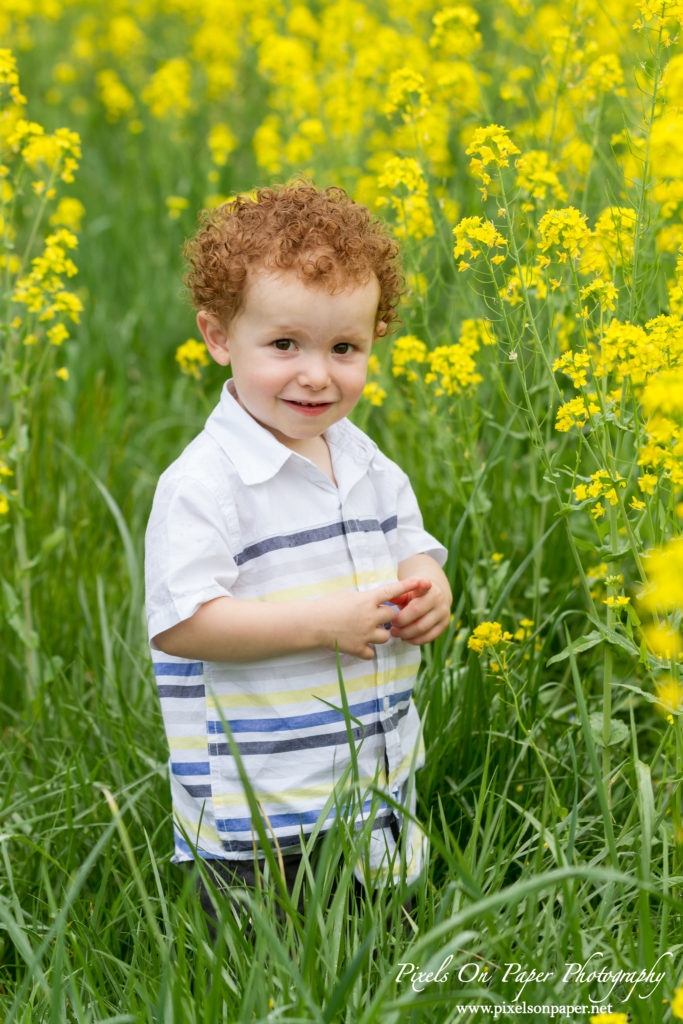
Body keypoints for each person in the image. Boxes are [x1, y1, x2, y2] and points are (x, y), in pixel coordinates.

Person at [144, 181, 452, 941]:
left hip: (374, 783)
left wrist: (429, 585)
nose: (317, 374)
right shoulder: (204, 484)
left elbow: (409, 539)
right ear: (218, 337)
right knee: (260, 968)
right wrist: (322, 623)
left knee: (386, 950)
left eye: (344, 349)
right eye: (284, 345)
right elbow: (183, 625)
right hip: (259, 800)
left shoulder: (364, 458)